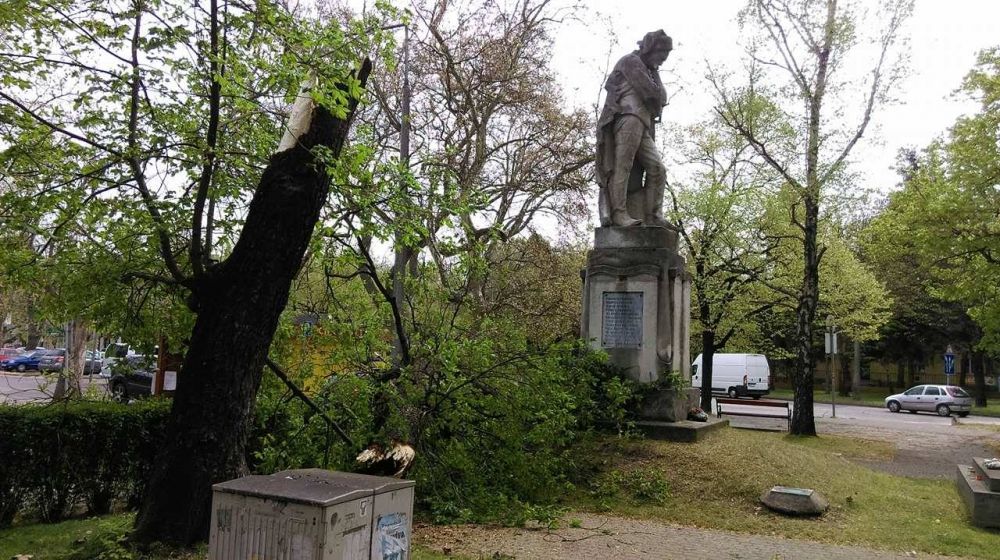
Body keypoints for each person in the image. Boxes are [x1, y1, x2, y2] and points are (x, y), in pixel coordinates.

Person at [595, 30, 672, 227]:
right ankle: (618, 214)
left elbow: (662, 98)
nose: (662, 61)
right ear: (650, 48)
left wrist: (654, 70)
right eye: (660, 56)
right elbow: (650, 93)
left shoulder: (649, 69)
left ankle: (654, 216)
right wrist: (652, 74)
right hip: (628, 116)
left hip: (642, 121)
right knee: (623, 165)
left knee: (657, 169)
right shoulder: (630, 61)